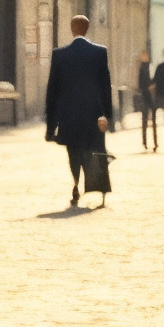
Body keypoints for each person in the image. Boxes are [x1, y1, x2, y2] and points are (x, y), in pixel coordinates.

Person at [44, 15, 113, 206]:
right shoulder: (99, 52)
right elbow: (106, 86)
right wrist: (108, 116)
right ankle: (100, 191)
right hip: (93, 115)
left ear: (72, 29)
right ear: (87, 29)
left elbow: (53, 91)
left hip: (69, 116)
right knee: (95, 151)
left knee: (73, 153)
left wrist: (51, 127)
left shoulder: (60, 54)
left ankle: (76, 184)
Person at [133, 50, 157, 149]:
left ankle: (153, 142)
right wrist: (149, 87)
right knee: (145, 120)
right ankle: (146, 142)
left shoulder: (150, 67)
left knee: (150, 121)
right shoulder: (143, 68)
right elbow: (141, 84)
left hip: (150, 97)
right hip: (146, 96)